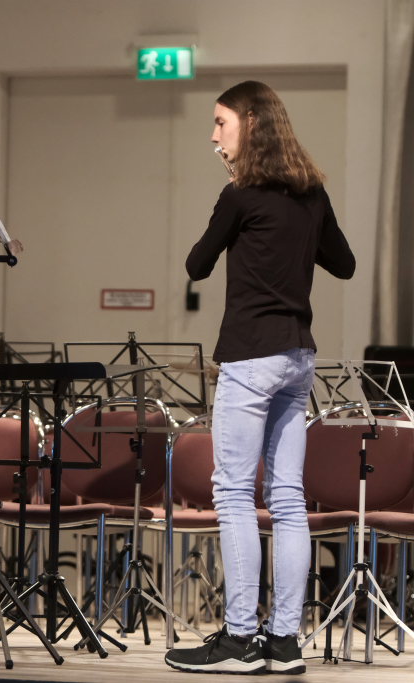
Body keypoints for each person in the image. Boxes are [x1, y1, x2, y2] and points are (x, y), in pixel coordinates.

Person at [165, 81, 354, 674]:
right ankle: (283, 642)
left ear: (249, 124)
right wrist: (296, 239)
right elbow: (344, 264)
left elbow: (196, 264)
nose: (213, 135)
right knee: (289, 498)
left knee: (232, 493)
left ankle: (241, 639)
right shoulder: (312, 193)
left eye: (220, 122)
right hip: (298, 356)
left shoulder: (240, 195)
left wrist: (236, 198)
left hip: (251, 357)